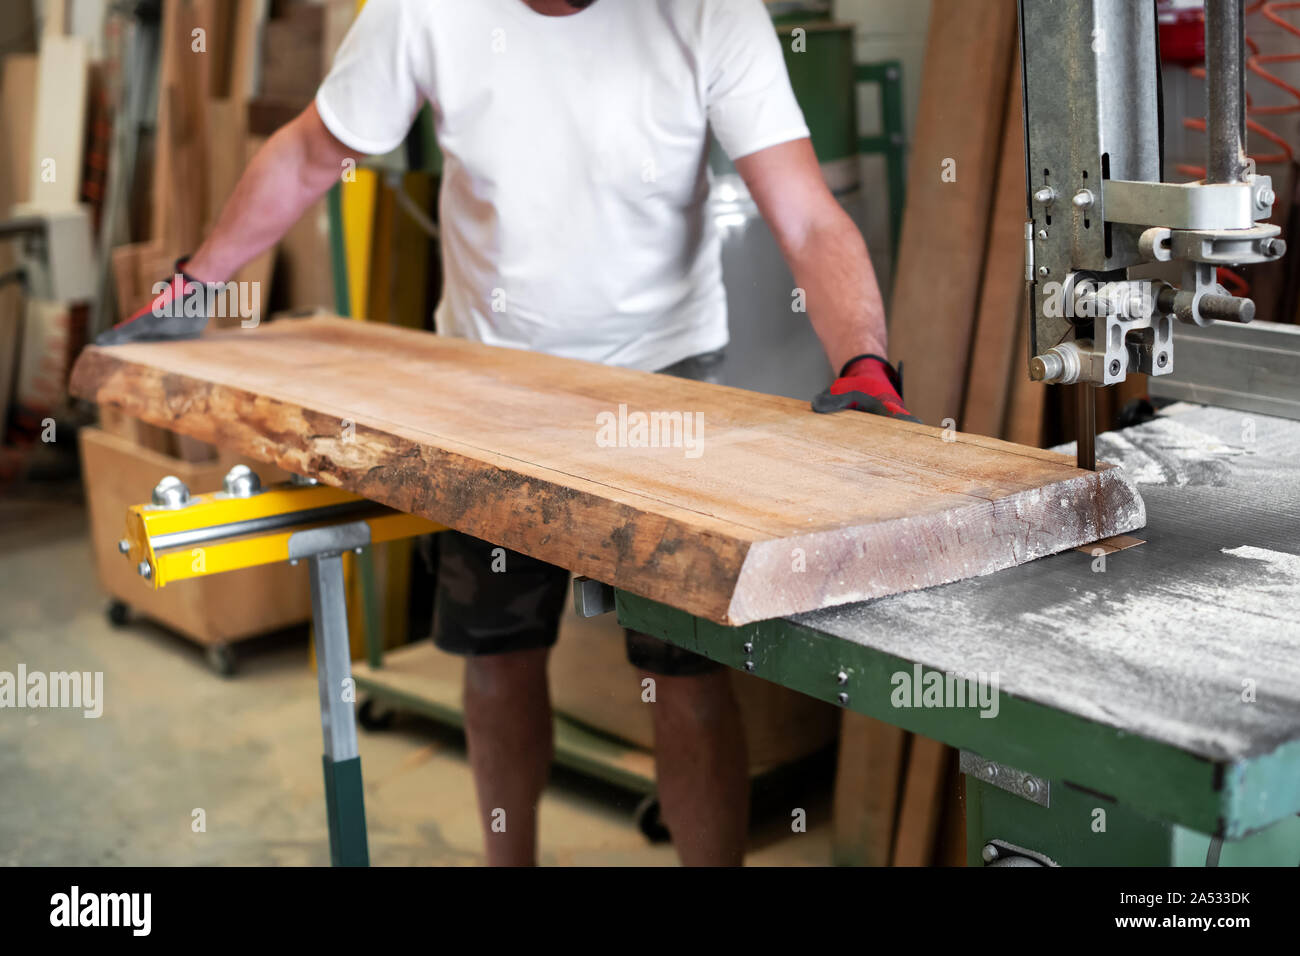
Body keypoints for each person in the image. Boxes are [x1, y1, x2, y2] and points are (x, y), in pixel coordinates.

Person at [99, 0, 917, 865]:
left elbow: (805, 213)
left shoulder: (708, 9)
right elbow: (312, 151)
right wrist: (196, 286)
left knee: (685, 671)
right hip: (488, 388)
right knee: (498, 654)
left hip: (661, 381)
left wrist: (864, 360)